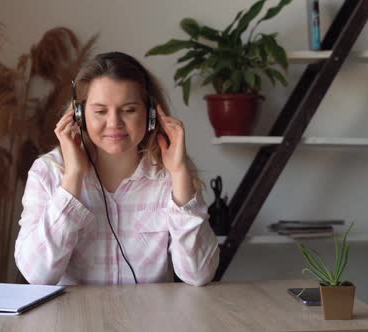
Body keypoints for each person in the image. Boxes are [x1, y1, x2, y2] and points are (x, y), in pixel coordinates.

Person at [14, 51, 220, 286]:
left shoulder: (171, 174)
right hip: (73, 319)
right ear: (79, 116)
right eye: (100, 111)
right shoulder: (47, 172)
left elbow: (199, 274)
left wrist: (180, 174)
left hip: (150, 320)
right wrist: (72, 179)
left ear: (151, 114)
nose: (114, 123)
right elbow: (37, 276)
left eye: (129, 110)